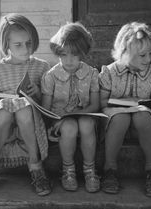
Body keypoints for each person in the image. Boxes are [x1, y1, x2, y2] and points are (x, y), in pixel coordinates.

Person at [0, 13, 52, 197]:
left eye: (29, 43)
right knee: (5, 109)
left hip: (30, 125)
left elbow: (46, 105)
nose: (26, 49)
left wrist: (36, 93)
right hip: (1, 127)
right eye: (18, 45)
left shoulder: (41, 67)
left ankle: (36, 167)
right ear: (6, 45)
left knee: (22, 108)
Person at [99, 22, 151, 197]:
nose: (148, 59)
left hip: (141, 126)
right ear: (125, 53)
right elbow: (102, 102)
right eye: (142, 55)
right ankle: (110, 169)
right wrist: (123, 104)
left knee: (142, 115)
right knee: (122, 117)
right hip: (114, 122)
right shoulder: (110, 72)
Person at [41, 22, 100, 193]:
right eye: (64, 54)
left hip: (85, 114)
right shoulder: (51, 76)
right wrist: (55, 121)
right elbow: (46, 108)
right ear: (58, 52)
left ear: (83, 53)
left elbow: (95, 104)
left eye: (74, 54)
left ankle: (90, 170)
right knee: (69, 126)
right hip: (59, 120)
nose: (69, 60)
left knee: (86, 123)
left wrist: (78, 113)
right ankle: (68, 170)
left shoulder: (91, 73)